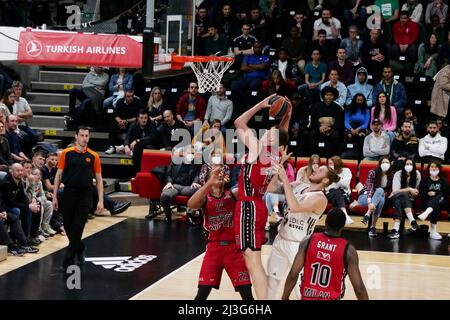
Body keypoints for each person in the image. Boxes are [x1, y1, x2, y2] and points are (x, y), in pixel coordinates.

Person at [233, 94, 291, 300]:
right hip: (258, 207)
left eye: (270, 132)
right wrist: (288, 112)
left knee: (252, 262)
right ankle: (269, 298)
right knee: (253, 260)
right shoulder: (276, 153)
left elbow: (238, 122)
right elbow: (283, 133)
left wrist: (259, 105)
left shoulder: (258, 148)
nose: (267, 131)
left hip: (248, 208)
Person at [266, 164, 336, 299]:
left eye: (320, 170)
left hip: (299, 246)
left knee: (300, 288)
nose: (315, 169)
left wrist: (285, 179)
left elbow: (294, 207)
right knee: (271, 282)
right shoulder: (299, 185)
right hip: (281, 240)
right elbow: (271, 188)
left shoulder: (320, 199)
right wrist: (278, 170)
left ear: (326, 180)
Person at [187, 167, 253, 300]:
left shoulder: (233, 194)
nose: (220, 175)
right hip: (213, 249)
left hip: (234, 249)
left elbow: (250, 186)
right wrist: (209, 183)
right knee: (201, 294)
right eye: (215, 174)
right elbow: (191, 204)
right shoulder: (205, 199)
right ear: (207, 179)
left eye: (221, 173)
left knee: (247, 294)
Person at [282, 208, 369, 300]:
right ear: (343, 226)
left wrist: (285, 297)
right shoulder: (349, 251)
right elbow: (359, 289)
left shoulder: (307, 241)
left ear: (325, 222)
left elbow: (293, 275)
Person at [53, 126, 104, 269]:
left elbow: (99, 179)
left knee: (78, 227)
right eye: (82, 135)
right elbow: (58, 175)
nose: (84, 138)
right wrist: (55, 197)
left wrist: (100, 200)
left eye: (86, 135)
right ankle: (80, 248)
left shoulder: (94, 156)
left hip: (85, 195)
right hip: (69, 194)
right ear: (76, 136)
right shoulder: (66, 153)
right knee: (69, 228)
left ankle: (68, 260)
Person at [356, 156, 393, 237]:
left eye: (387, 163)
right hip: (365, 196)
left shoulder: (391, 175)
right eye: (383, 162)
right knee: (380, 192)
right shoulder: (373, 172)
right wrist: (369, 202)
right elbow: (370, 188)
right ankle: (372, 226)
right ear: (380, 164)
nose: (385, 164)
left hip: (379, 198)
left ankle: (368, 217)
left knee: (381, 197)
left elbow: (389, 190)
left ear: (390, 165)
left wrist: (385, 193)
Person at [387, 157, 421, 239]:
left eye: (410, 164)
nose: (408, 166)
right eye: (407, 164)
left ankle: (395, 229)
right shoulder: (398, 174)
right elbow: (395, 191)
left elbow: (416, 190)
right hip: (393, 198)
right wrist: (409, 189)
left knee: (399, 202)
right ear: (404, 165)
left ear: (414, 166)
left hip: (408, 201)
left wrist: (415, 192)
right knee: (403, 194)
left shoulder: (417, 174)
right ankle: (412, 221)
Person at [105, 89, 142, 155]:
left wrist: (125, 121)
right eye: (128, 96)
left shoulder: (137, 102)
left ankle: (128, 146)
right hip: (121, 122)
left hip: (131, 122)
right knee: (113, 124)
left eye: (132, 96)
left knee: (134, 125)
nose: (131, 98)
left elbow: (136, 117)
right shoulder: (120, 101)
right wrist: (120, 121)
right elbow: (116, 115)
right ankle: (112, 147)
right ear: (124, 97)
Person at [418, 159, 448, 240]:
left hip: (442, 202)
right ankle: (433, 231)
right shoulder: (425, 180)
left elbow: (445, 193)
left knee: (439, 197)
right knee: (436, 205)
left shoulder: (443, 180)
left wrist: (435, 193)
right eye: (432, 167)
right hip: (428, 202)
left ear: (439, 169)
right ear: (429, 168)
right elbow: (421, 192)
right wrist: (427, 193)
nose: (433, 168)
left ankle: (427, 213)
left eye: (435, 167)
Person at [326, 156, 354, 224]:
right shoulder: (327, 172)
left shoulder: (347, 171)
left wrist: (335, 178)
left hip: (344, 195)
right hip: (330, 193)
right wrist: (339, 182)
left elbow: (345, 184)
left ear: (337, 164)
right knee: (337, 192)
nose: (329, 166)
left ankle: (334, 222)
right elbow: (328, 187)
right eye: (328, 164)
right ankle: (345, 215)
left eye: (331, 164)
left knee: (335, 199)